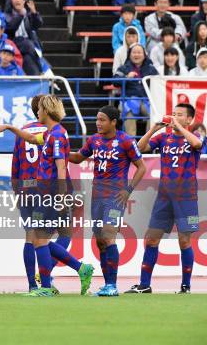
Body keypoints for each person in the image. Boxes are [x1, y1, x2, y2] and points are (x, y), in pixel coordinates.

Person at [0, 95, 95, 297]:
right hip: (42, 193)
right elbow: (30, 138)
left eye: (39, 110)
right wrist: (10, 128)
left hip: (51, 193)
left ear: (46, 111)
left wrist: (61, 197)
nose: (37, 112)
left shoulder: (56, 136)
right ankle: (78, 270)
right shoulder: (50, 134)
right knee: (40, 239)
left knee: (39, 238)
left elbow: (61, 167)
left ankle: (48, 285)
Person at [69, 106, 146, 296]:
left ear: (113, 122)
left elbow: (141, 167)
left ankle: (112, 285)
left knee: (109, 236)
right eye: (97, 119)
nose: (98, 123)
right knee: (100, 241)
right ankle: (107, 285)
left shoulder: (126, 141)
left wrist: (128, 190)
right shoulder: (94, 140)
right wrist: (59, 152)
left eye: (102, 119)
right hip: (97, 195)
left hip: (116, 196)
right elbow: (78, 158)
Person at [127, 103, 203, 294]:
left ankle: (186, 286)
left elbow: (197, 144)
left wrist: (180, 128)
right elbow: (138, 148)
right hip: (164, 197)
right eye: (173, 114)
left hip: (186, 198)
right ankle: (144, 285)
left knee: (185, 241)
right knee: (151, 240)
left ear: (189, 119)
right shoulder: (163, 138)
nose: (174, 118)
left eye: (179, 115)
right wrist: (154, 128)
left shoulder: (193, 138)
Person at [9, 94, 45, 292]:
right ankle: (47, 281)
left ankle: (32, 284)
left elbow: (15, 163)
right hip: (45, 188)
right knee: (52, 235)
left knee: (30, 235)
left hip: (25, 187)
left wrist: (17, 189)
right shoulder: (53, 131)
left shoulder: (23, 131)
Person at [114, 43, 159, 135]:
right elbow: (115, 81)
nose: (136, 55)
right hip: (128, 100)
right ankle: (131, 145)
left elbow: (158, 82)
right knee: (128, 113)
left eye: (139, 52)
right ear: (129, 54)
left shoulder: (151, 69)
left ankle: (148, 143)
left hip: (146, 100)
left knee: (155, 115)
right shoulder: (123, 68)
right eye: (134, 52)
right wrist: (126, 77)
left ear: (144, 55)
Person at [4, 0, 43, 75]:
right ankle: (43, 69)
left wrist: (34, 13)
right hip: (13, 43)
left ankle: (38, 76)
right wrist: (20, 16)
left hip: (28, 48)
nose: (17, 0)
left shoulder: (28, 14)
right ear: (11, 1)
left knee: (28, 60)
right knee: (28, 44)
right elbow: (10, 28)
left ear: (24, 0)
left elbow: (37, 25)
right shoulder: (6, 15)